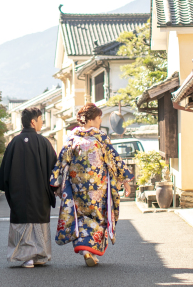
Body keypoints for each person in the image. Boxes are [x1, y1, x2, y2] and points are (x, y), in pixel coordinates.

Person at [50, 103, 133, 267]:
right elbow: (115, 160)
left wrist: (55, 182)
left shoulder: (72, 138)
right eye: (99, 117)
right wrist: (125, 181)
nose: (101, 120)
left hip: (78, 187)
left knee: (80, 216)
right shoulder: (101, 138)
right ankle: (91, 251)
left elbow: (61, 161)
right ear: (92, 119)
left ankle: (86, 251)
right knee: (97, 217)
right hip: (98, 188)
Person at [0, 107, 58, 268]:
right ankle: (37, 256)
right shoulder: (44, 142)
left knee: (23, 222)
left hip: (19, 194)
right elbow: (55, 170)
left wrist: (10, 190)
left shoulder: (13, 143)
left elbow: (5, 173)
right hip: (40, 194)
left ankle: (27, 257)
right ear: (33, 121)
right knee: (38, 223)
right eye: (40, 119)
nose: (42, 122)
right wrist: (56, 189)